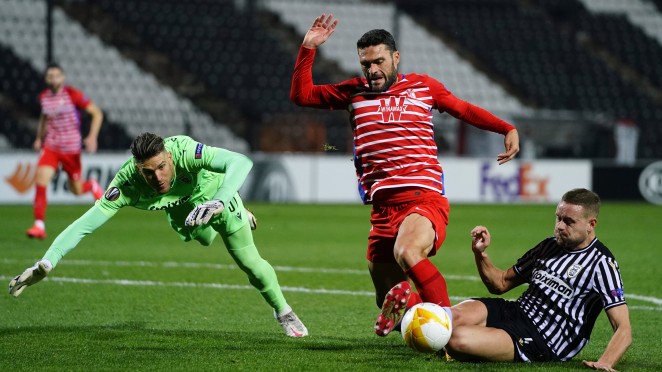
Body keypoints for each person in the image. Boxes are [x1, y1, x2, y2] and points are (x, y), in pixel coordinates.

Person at [290, 14, 520, 336]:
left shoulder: (424, 87)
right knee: (385, 296)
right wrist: (308, 48)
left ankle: (450, 336)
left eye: (379, 61)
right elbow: (302, 95)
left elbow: (463, 109)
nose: (372, 71)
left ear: (396, 58)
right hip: (383, 210)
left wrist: (506, 128)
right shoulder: (352, 93)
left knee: (408, 252)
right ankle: (421, 317)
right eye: (366, 64)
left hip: (422, 198)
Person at [10, 133, 309, 338]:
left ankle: (283, 311)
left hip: (216, 198)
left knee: (250, 264)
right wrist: (47, 262)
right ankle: (217, 220)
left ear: (169, 155)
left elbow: (241, 162)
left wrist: (220, 200)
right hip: (180, 211)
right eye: (148, 172)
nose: (158, 178)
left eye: (162, 167)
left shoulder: (184, 150)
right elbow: (85, 224)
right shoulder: (127, 184)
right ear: (138, 169)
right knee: (203, 239)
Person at [445, 188, 631, 370]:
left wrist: (606, 361)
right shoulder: (548, 246)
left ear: (591, 224)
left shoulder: (602, 264)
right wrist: (480, 254)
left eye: (569, 221)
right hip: (515, 311)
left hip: (542, 339)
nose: (559, 226)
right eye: (558, 218)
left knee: (457, 339)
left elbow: (623, 328)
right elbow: (500, 283)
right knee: (445, 319)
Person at [26, 62, 105, 240]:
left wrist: (92, 137)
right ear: (46, 79)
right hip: (51, 147)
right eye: (49, 76)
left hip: (71, 150)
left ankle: (91, 185)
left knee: (76, 191)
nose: (53, 79)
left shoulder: (72, 95)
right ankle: (39, 225)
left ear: (62, 77)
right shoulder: (44, 97)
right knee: (41, 179)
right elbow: (44, 119)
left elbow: (97, 113)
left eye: (56, 75)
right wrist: (39, 138)